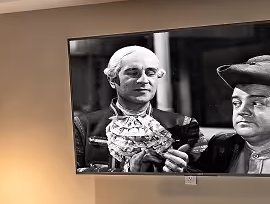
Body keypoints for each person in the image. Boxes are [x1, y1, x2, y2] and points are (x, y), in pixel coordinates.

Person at [74, 45, 198, 173]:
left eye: (151, 73)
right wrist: (126, 173)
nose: (144, 80)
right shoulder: (82, 126)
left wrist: (182, 171)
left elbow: (202, 172)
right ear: (112, 80)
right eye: (133, 73)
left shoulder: (184, 124)